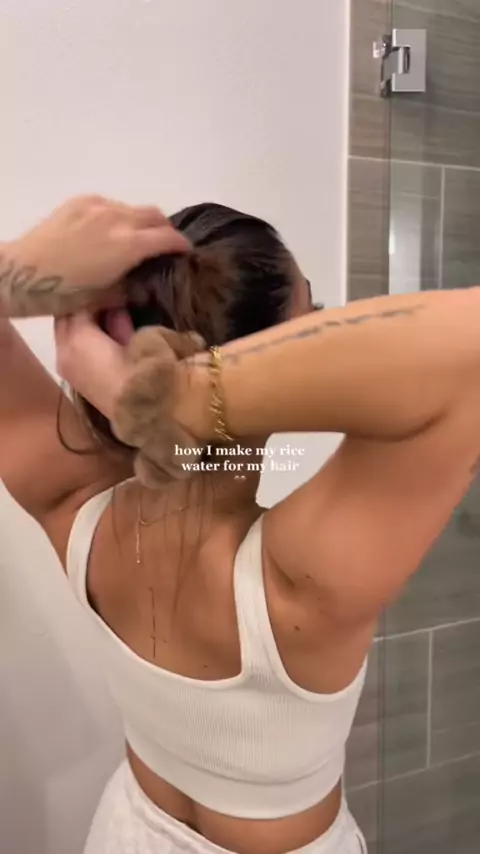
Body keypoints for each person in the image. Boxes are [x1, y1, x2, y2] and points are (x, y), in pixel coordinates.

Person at [2, 196, 480, 854]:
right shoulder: (297, 582)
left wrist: (18, 272)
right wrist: (182, 399)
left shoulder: (75, 505)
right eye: (309, 322)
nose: (324, 329)